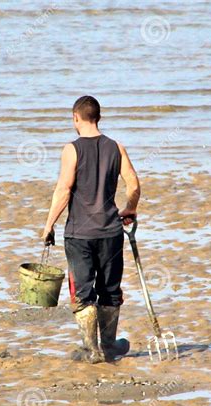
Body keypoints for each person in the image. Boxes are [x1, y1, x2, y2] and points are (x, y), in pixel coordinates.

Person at [42, 95, 141, 363]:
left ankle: (92, 349)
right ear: (98, 117)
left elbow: (63, 190)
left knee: (83, 292)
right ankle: (108, 346)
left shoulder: (71, 150)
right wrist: (129, 208)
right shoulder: (116, 147)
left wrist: (48, 225)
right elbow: (133, 183)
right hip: (110, 232)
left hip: (79, 234)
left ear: (76, 118)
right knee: (110, 290)